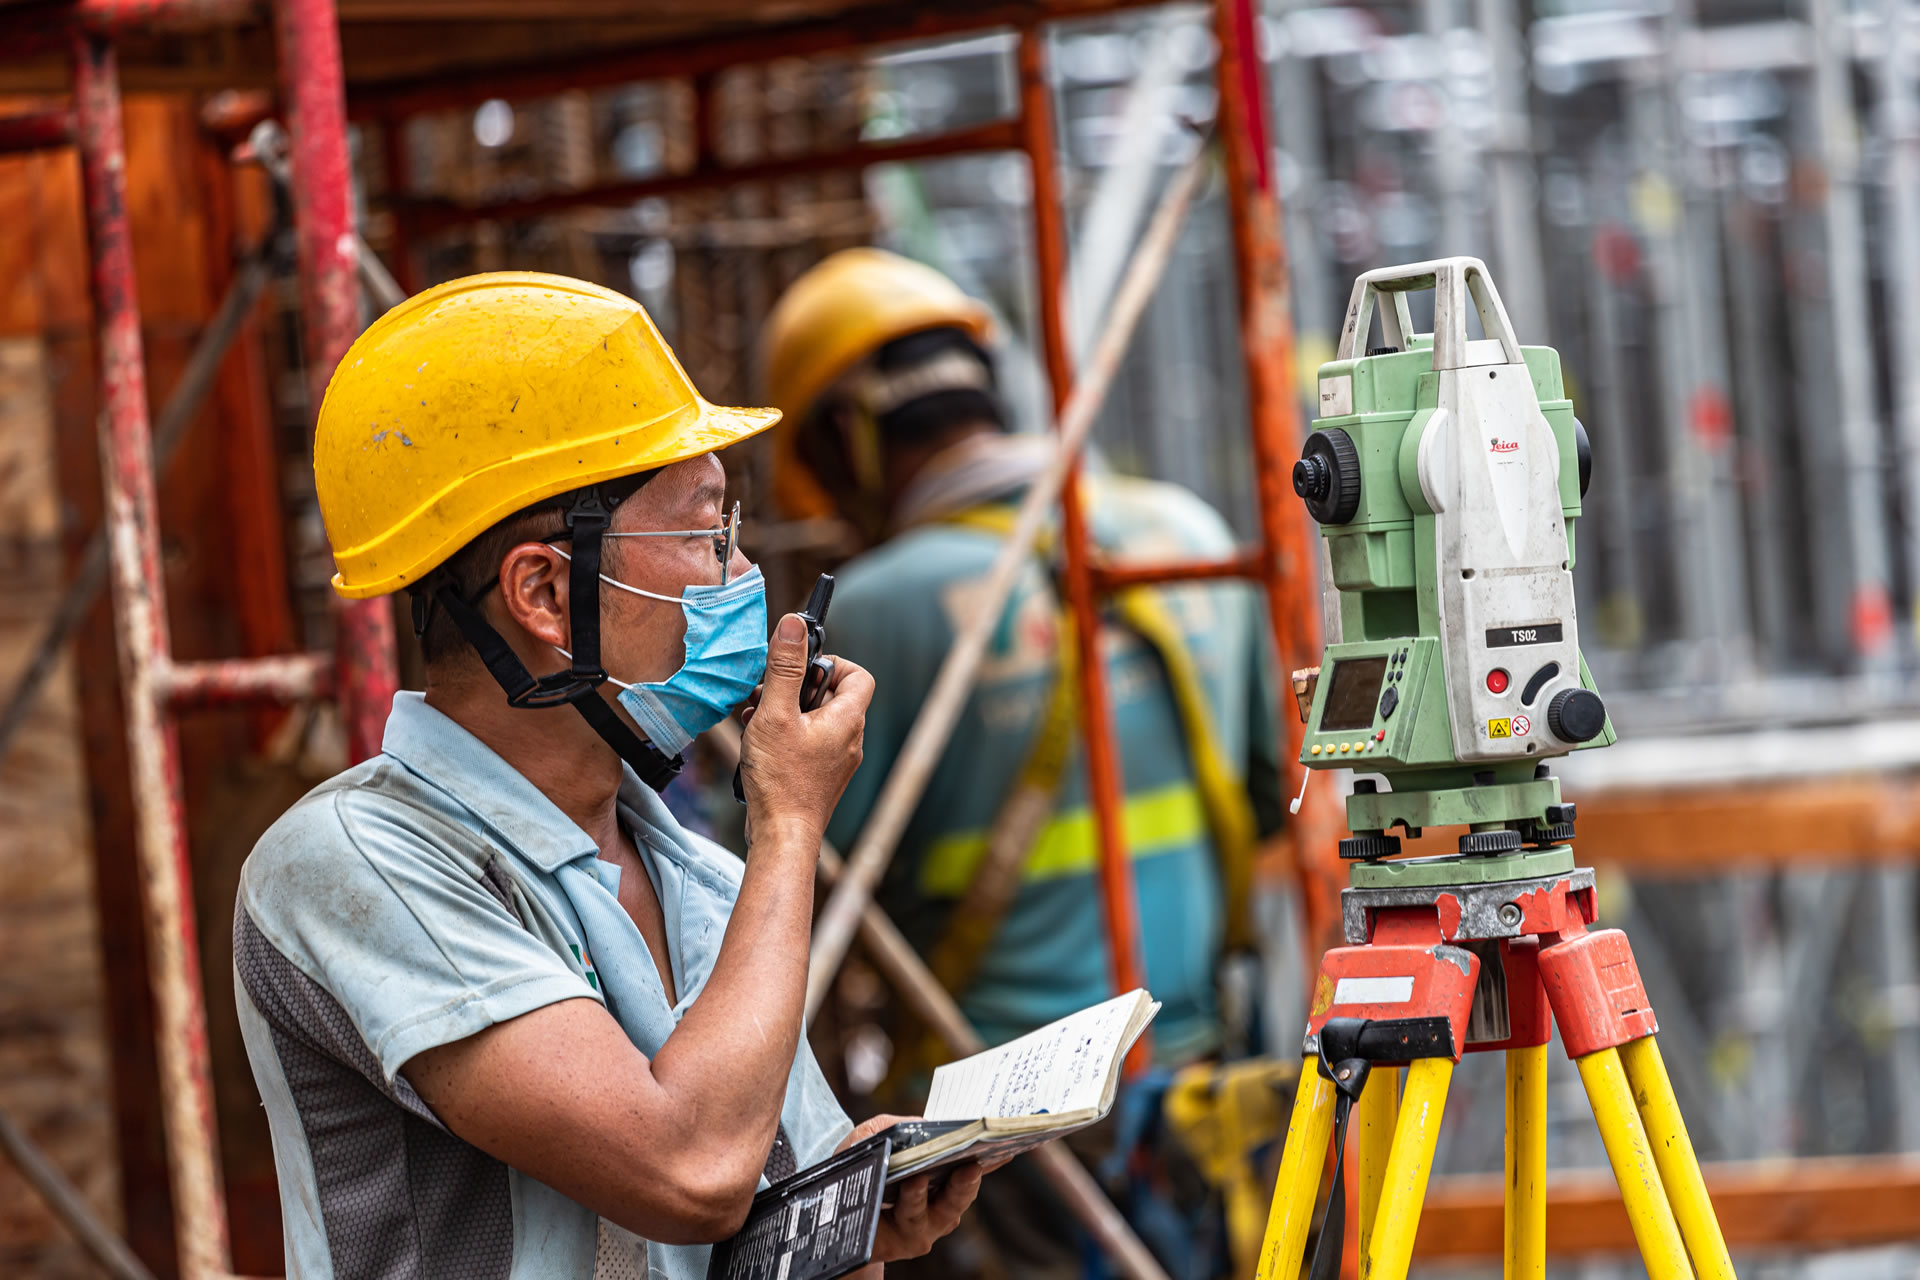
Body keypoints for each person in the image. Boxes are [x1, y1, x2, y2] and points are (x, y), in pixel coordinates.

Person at [234, 272, 984, 1278]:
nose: (738, 574)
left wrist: (840, 1220)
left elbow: (731, 1216)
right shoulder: (351, 867)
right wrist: (792, 823)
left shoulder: (707, 886)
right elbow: (689, 1168)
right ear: (544, 592)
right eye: (703, 533)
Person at [758, 250, 1287, 1276]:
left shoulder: (882, 605)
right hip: (1208, 1086)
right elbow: (1271, 801)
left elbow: (802, 893)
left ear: (844, 439)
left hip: (1009, 1140)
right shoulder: (1186, 531)